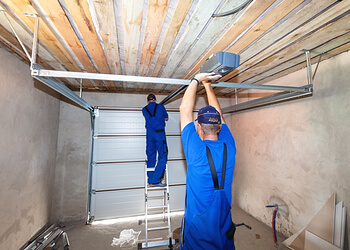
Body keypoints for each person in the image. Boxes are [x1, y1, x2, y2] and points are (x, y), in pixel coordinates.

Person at [179, 73, 237, 249]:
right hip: (224, 227)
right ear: (220, 126)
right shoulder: (230, 146)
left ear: (199, 127)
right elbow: (217, 114)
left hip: (198, 234)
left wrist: (196, 79)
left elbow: (184, 110)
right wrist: (207, 86)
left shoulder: (196, 152)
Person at [142, 94, 169, 186]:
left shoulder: (144, 109)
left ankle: (150, 178)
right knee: (163, 155)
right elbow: (166, 117)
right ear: (155, 100)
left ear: (147, 101)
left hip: (150, 136)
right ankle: (156, 179)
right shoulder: (160, 107)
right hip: (159, 135)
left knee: (151, 156)